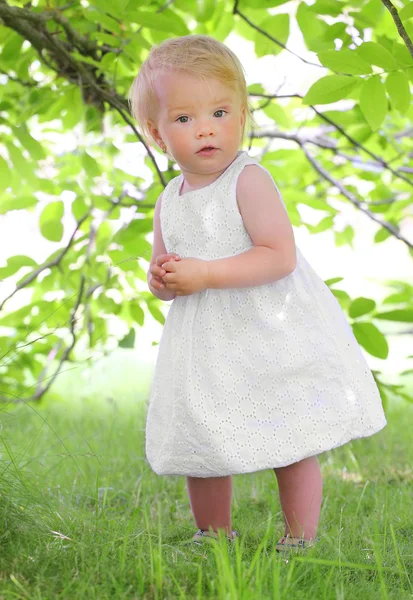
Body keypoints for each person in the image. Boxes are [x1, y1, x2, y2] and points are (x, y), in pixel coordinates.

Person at [129, 34, 387, 552]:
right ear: (158, 135)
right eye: (184, 119)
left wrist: (204, 273)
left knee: (288, 434)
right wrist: (163, 281)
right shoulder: (169, 200)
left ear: (242, 117)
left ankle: (299, 537)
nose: (205, 128)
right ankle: (213, 532)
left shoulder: (248, 181)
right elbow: (170, 270)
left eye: (220, 112)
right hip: (205, 346)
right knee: (200, 435)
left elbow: (278, 255)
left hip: (265, 332)